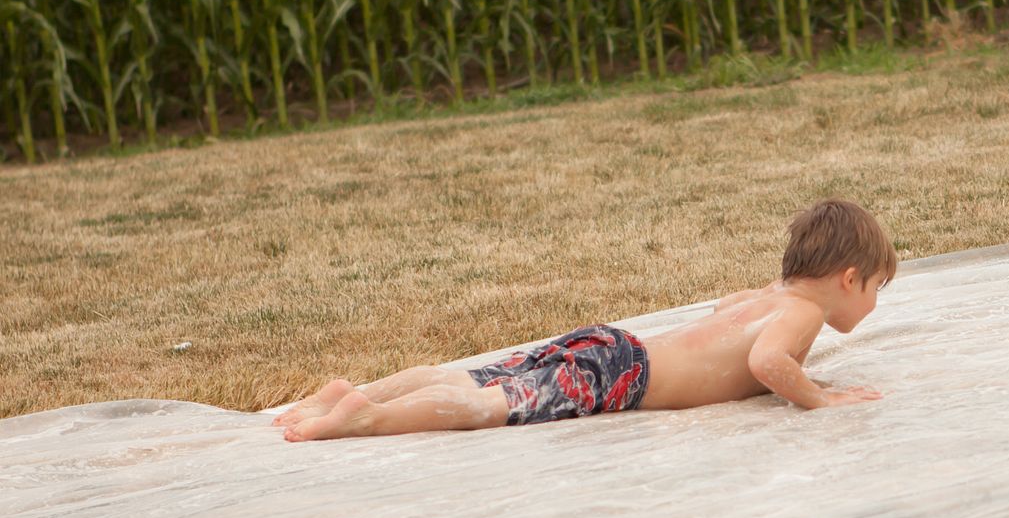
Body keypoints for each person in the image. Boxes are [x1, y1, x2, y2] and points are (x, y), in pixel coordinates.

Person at [275, 197, 897, 441]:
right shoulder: (802, 313)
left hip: (612, 345)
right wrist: (819, 398)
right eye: (875, 288)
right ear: (848, 279)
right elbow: (767, 362)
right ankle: (367, 417)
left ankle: (353, 393)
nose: (872, 303)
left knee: (480, 377)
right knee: (494, 407)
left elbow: (723, 318)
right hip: (621, 376)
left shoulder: (769, 298)